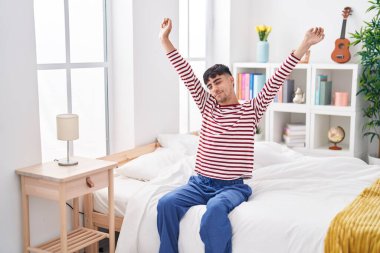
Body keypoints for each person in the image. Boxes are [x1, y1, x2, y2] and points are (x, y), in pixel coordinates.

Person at [157, 17, 324, 253]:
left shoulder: (250, 110)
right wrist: (164, 39)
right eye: (210, 86)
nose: (214, 88)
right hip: (199, 182)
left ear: (231, 80)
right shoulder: (208, 107)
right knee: (166, 203)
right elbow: (186, 73)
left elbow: (277, 79)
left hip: (232, 187)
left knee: (214, 210)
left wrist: (305, 43)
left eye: (218, 82)